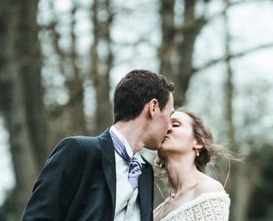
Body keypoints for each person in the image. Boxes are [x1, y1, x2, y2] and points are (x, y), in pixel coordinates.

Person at [22, 69, 175, 221]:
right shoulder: (79, 151)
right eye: (170, 115)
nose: (170, 127)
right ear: (153, 107)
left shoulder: (145, 172)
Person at [153, 109, 230, 221]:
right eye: (164, 125)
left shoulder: (208, 190)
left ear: (198, 142)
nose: (167, 128)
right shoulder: (156, 213)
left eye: (175, 124)